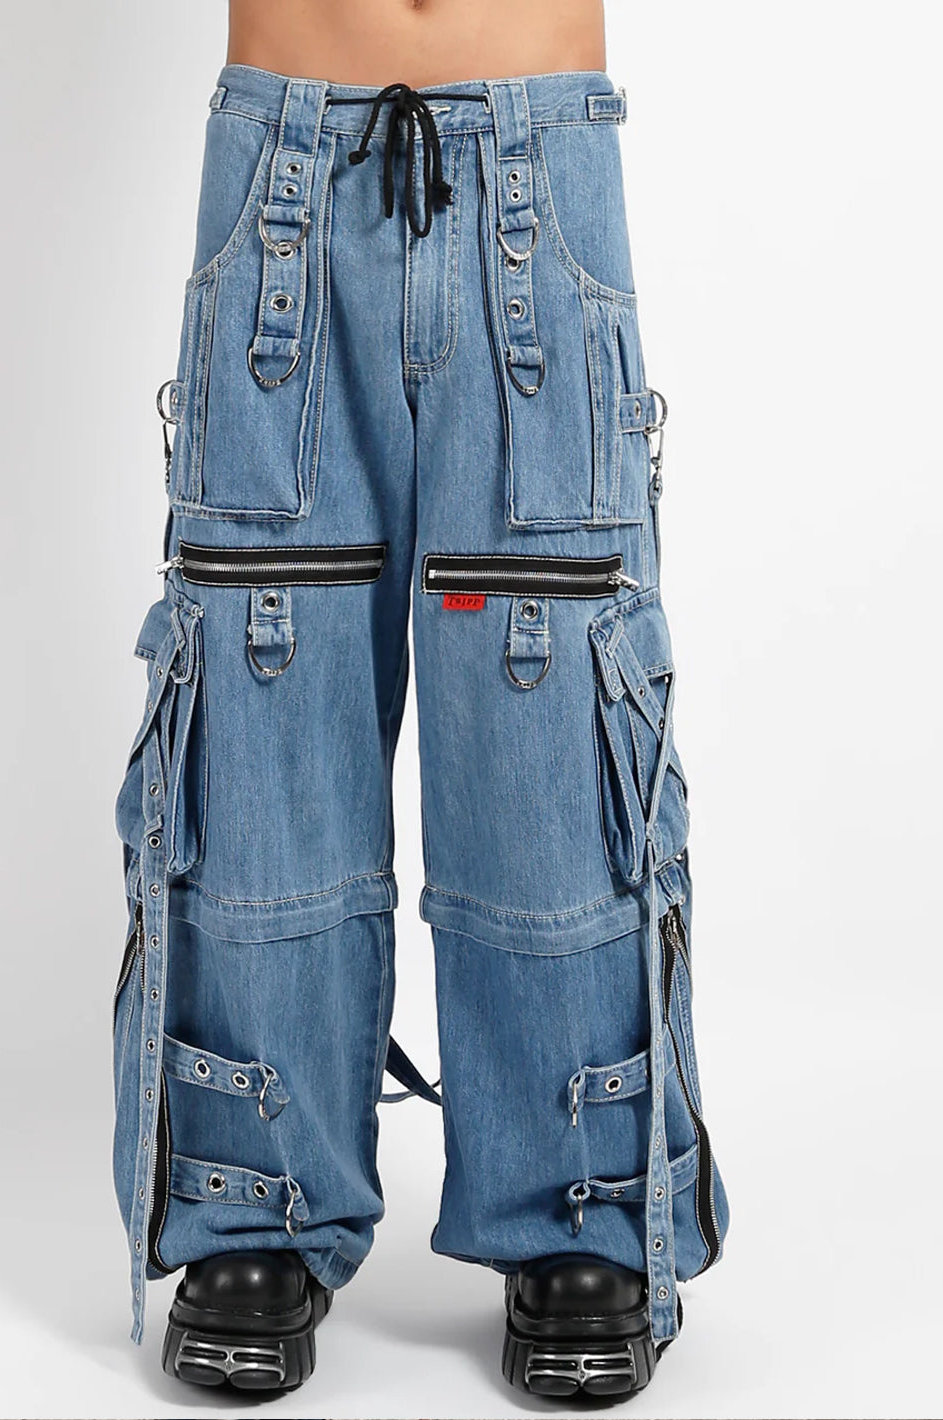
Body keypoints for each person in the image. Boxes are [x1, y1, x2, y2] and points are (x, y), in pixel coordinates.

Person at [111, 0, 729, 1400]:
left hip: (535, 169)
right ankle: (255, 1201)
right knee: (264, 690)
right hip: (280, 172)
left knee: (546, 708)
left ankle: (576, 1203)